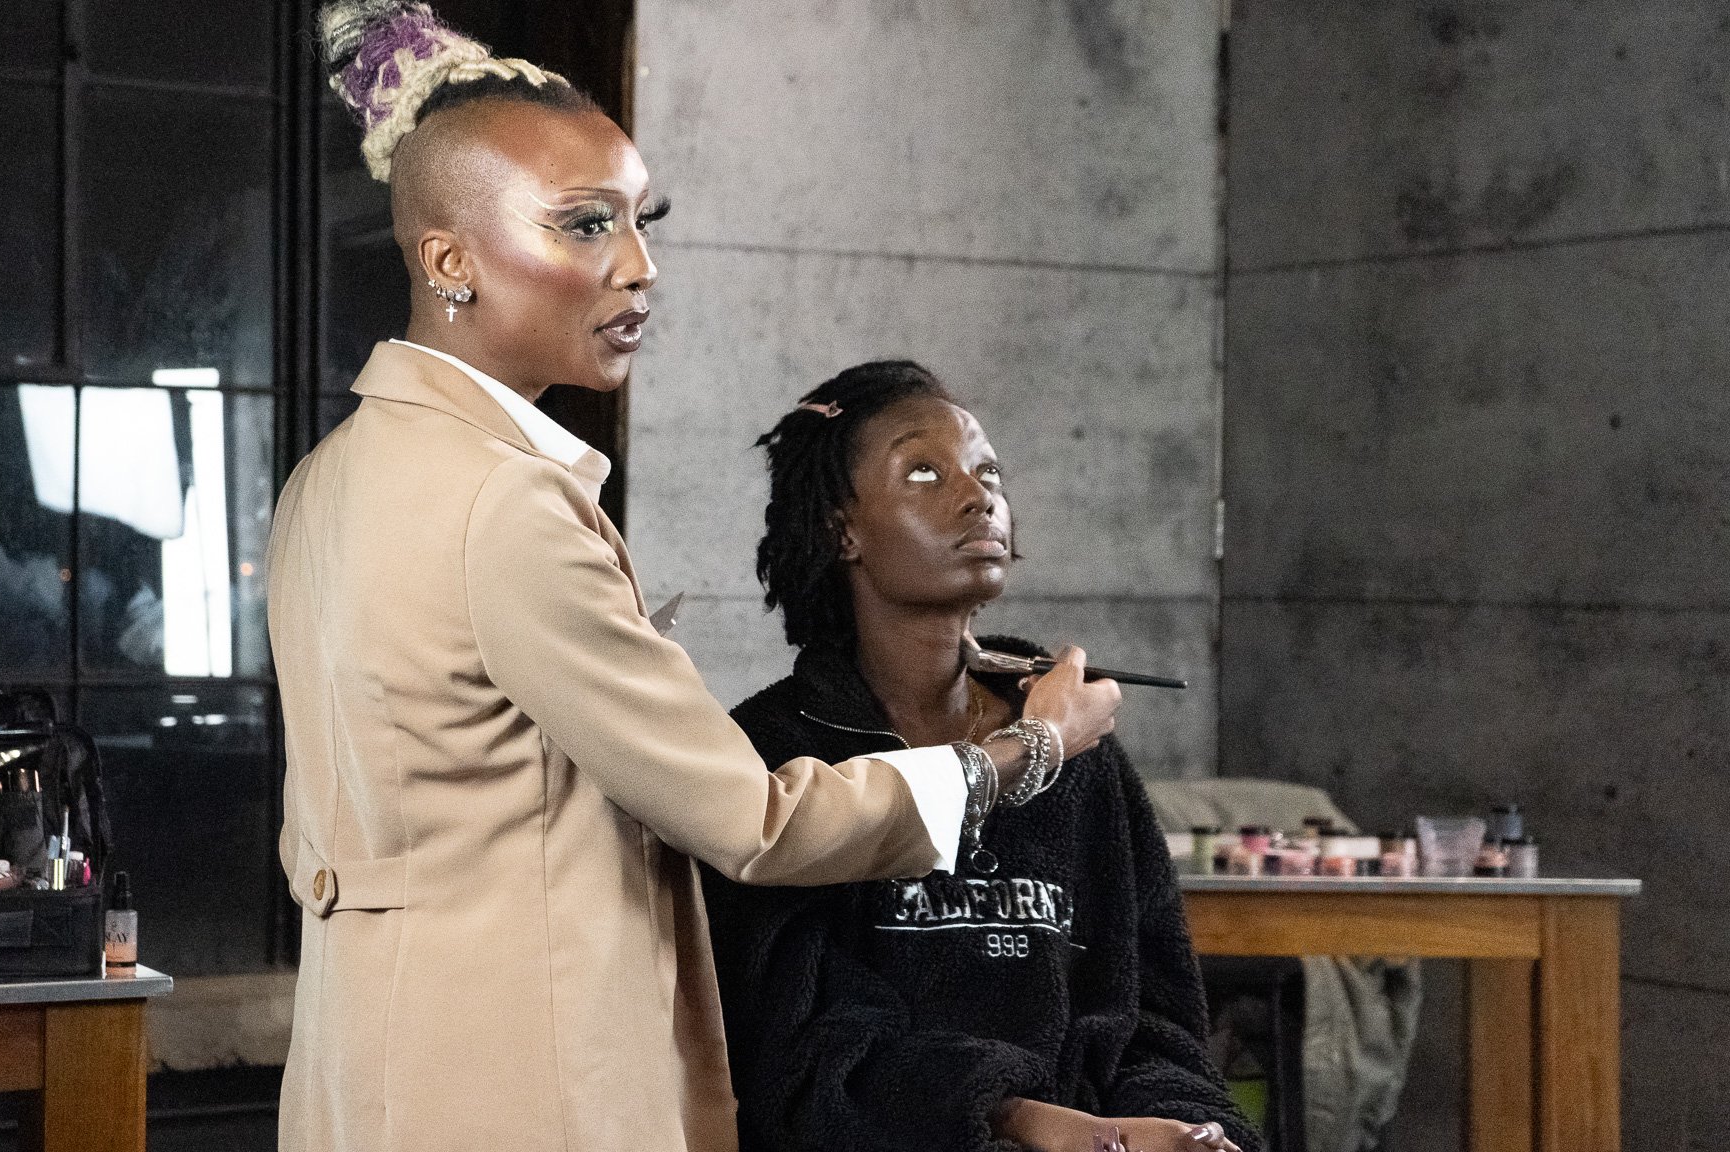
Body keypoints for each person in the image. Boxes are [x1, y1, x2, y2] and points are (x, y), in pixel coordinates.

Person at [265, 6, 1123, 1150]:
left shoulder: (325, 480)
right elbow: (759, 825)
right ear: (448, 259)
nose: (638, 267)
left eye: (640, 221)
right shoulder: (506, 505)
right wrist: (1027, 754)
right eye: (585, 225)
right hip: (526, 1093)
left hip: (367, 1079)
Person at [701, 361, 1259, 1152]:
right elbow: (797, 1056)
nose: (977, 496)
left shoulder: (1079, 751)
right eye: (923, 472)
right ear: (841, 529)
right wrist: (1017, 1120)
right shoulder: (777, 754)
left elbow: (1153, 1018)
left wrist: (1178, 1126)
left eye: (988, 471)